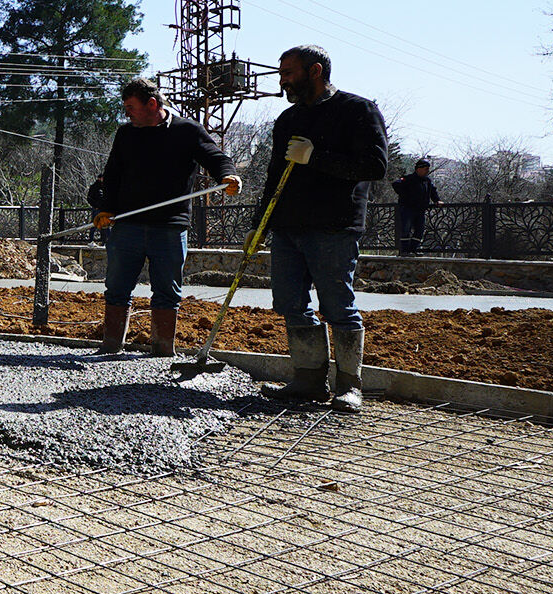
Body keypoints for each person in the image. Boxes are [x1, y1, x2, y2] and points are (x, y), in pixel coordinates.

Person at [257, 45, 390, 413]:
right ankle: (308, 379)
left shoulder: (356, 110)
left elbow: (375, 166)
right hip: (287, 227)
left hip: (333, 226)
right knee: (291, 303)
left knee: (337, 306)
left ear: (314, 71)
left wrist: (316, 157)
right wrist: (260, 226)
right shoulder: (287, 120)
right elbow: (273, 178)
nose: (282, 80)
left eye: (288, 73)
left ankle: (349, 385)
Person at [91, 77, 242, 356]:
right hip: (127, 224)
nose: (127, 113)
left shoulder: (187, 130)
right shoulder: (126, 134)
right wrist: (105, 208)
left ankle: (162, 351)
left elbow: (215, 157)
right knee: (117, 286)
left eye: (130, 106)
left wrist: (228, 175)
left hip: (170, 227)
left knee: (167, 290)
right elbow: (112, 175)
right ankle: (111, 346)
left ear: (152, 104)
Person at [392, 159, 440, 255]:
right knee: (406, 229)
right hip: (407, 209)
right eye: (426, 169)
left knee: (419, 230)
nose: (427, 171)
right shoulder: (409, 179)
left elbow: (433, 192)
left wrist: (437, 200)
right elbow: (396, 184)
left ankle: (413, 249)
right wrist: (406, 196)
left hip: (420, 210)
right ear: (419, 169)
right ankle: (404, 251)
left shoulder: (427, 181)